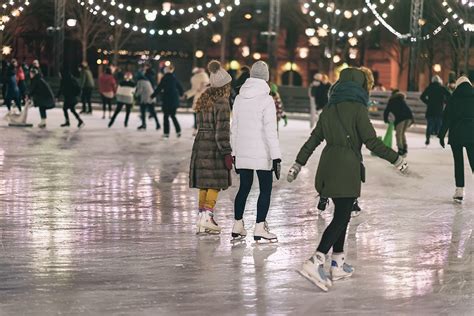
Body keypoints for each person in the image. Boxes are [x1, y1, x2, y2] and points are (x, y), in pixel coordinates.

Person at [287, 67, 408, 292]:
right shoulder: (358, 109)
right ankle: (315, 261)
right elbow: (372, 142)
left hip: (327, 167)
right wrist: (396, 159)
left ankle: (337, 264)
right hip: (346, 168)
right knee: (341, 218)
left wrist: (298, 163)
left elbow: (313, 140)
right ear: (360, 86)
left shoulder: (329, 109)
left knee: (341, 214)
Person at [231, 61, 282, 243]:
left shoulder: (238, 98)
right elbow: (270, 131)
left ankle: (237, 225)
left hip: (243, 151)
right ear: (266, 78)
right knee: (265, 189)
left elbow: (234, 128)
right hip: (262, 154)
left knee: (244, 188)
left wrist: (234, 153)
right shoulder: (266, 99)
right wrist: (276, 157)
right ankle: (259, 227)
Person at [189, 60, 233, 235]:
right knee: (214, 183)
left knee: (204, 184)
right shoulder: (222, 103)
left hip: (201, 143)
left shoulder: (204, 98)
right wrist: (226, 152)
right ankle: (207, 216)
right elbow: (222, 131)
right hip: (213, 147)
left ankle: (202, 218)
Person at [438, 76, 474, 204]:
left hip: (456, 135)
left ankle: (459, 192)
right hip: (472, 135)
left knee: (458, 162)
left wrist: (441, 135)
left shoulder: (453, 98)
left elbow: (447, 118)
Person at [151, 65, 184, 138]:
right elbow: (180, 87)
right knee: (173, 116)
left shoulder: (164, 78)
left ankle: (166, 134)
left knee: (166, 117)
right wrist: (181, 94)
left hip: (166, 100)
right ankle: (178, 131)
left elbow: (159, 88)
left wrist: (153, 95)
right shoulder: (174, 78)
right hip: (174, 100)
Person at [420, 75, 451, 145]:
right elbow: (449, 95)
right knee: (439, 125)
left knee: (429, 125)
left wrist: (428, 102)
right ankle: (440, 139)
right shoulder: (442, 88)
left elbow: (422, 97)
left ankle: (427, 139)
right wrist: (444, 102)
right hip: (439, 110)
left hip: (430, 110)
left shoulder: (429, 88)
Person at [384, 89, 414, 156]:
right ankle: (404, 148)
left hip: (401, 118)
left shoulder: (392, 100)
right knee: (402, 133)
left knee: (398, 134)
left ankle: (400, 150)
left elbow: (387, 110)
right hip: (409, 118)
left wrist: (386, 120)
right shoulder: (401, 99)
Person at [184, 67, 210, 135]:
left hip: (201, 97)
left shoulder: (200, 76)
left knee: (198, 113)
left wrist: (187, 94)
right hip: (202, 97)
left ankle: (198, 128)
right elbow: (197, 88)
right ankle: (199, 128)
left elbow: (197, 88)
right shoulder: (203, 76)